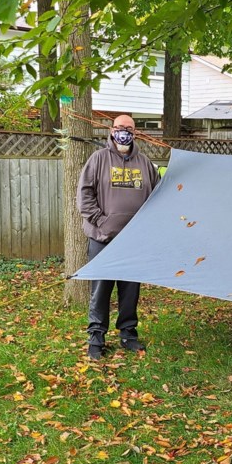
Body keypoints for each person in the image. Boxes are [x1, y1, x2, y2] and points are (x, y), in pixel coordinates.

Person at [76, 114, 160, 360]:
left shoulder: (145, 164)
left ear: (136, 132)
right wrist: (101, 222)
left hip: (134, 241)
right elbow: (84, 195)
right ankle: (96, 338)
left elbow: (158, 196)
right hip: (103, 238)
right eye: (119, 128)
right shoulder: (98, 160)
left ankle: (128, 335)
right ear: (111, 131)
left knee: (130, 290)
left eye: (129, 128)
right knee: (100, 289)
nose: (124, 132)